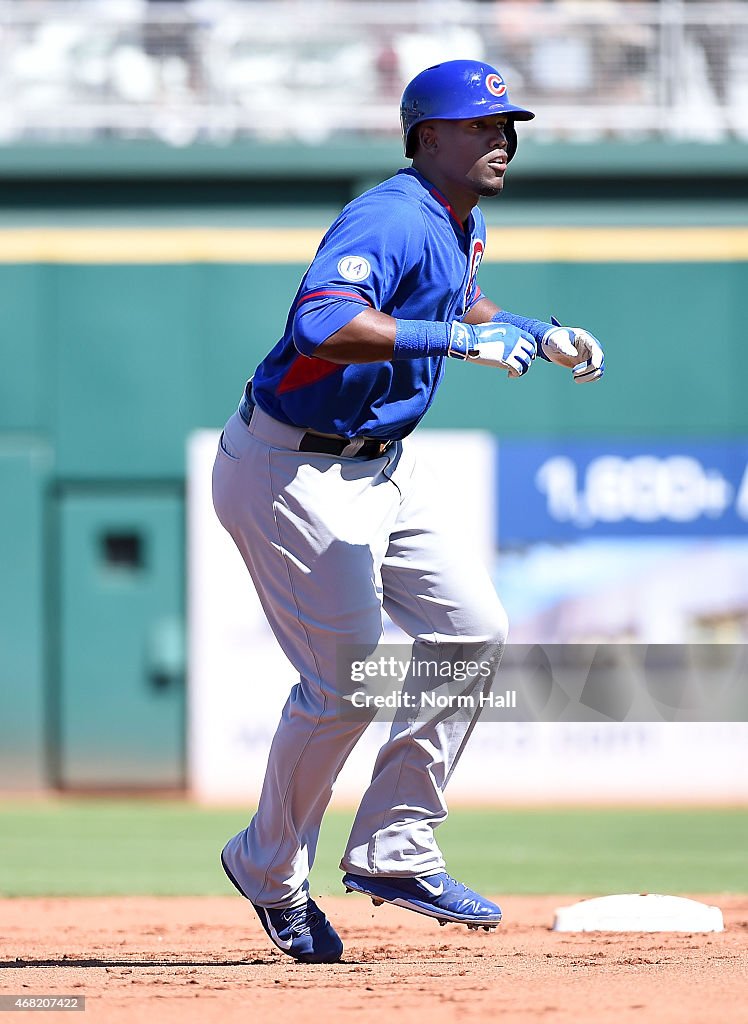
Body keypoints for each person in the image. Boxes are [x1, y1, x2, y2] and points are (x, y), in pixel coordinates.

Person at [212, 58, 604, 965]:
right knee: (344, 684)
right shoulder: (389, 214)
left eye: (508, 126)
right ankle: (268, 869)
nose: (502, 139)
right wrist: (458, 341)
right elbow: (321, 322)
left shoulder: (456, 221)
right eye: (481, 125)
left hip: (380, 467)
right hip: (291, 471)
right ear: (428, 137)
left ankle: (395, 848)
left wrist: (531, 330)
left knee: (471, 628)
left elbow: (456, 299)